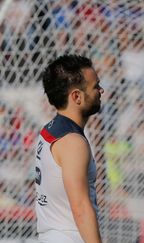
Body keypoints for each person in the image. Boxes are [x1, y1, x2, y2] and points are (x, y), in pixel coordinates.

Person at [35, 55, 104, 243]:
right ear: (76, 96)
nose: (101, 90)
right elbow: (80, 207)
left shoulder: (49, 130)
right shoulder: (73, 142)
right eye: (95, 86)